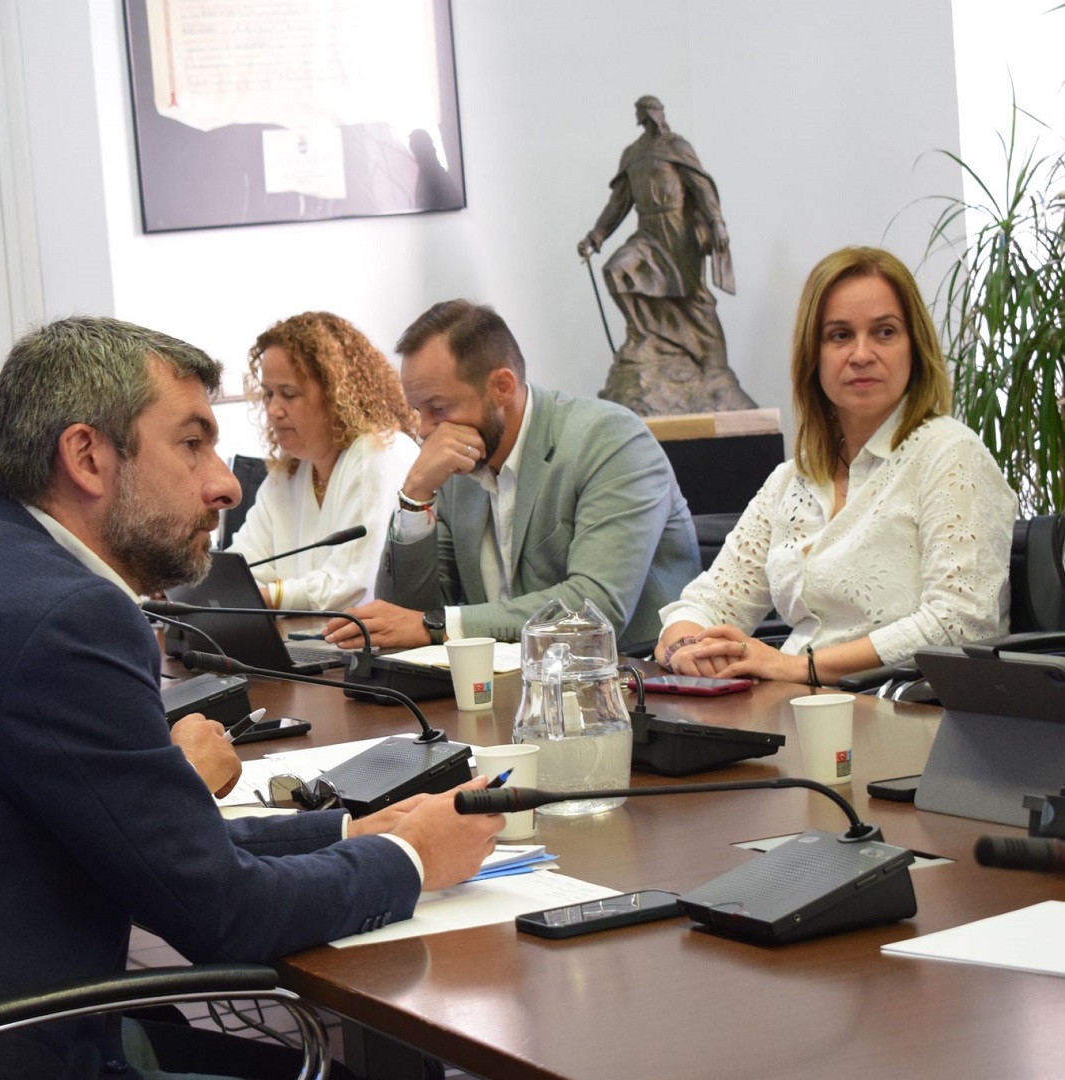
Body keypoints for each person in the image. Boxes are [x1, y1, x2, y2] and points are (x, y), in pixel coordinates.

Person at [0, 316, 501, 1079]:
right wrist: (411, 858)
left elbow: (141, 843)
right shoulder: (63, 618)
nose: (224, 482)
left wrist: (343, 834)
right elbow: (226, 916)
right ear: (86, 457)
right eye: (192, 444)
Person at [655, 247, 1017, 683]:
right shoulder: (792, 479)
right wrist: (684, 642)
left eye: (884, 332)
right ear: (814, 355)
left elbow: (960, 622)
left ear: (914, 348)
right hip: (798, 708)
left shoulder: (949, 453)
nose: (861, 354)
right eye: (840, 335)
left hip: (909, 712)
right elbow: (713, 600)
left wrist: (800, 667)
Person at [324, 299, 699, 655]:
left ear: (502, 387)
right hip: (506, 690)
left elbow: (596, 609)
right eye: (417, 410)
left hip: (630, 685)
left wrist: (440, 625)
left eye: (438, 408)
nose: (424, 430)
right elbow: (402, 619)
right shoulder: (458, 462)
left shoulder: (610, 440)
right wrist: (415, 495)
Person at [225, 311, 418, 610]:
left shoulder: (378, 452)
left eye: (288, 394)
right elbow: (245, 565)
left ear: (337, 396)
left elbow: (349, 586)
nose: (274, 410)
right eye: (268, 394)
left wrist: (262, 596)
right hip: (309, 647)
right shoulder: (288, 471)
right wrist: (193, 588)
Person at [577, 95, 755, 413]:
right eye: (644, 116)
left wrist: (716, 223)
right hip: (648, 232)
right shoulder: (633, 153)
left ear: (661, 114)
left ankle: (711, 361)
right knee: (616, 271)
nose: (650, 120)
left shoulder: (677, 146)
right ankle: (646, 337)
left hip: (678, 233)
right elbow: (619, 203)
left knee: (693, 297)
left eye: (653, 114)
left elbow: (701, 188)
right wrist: (597, 235)